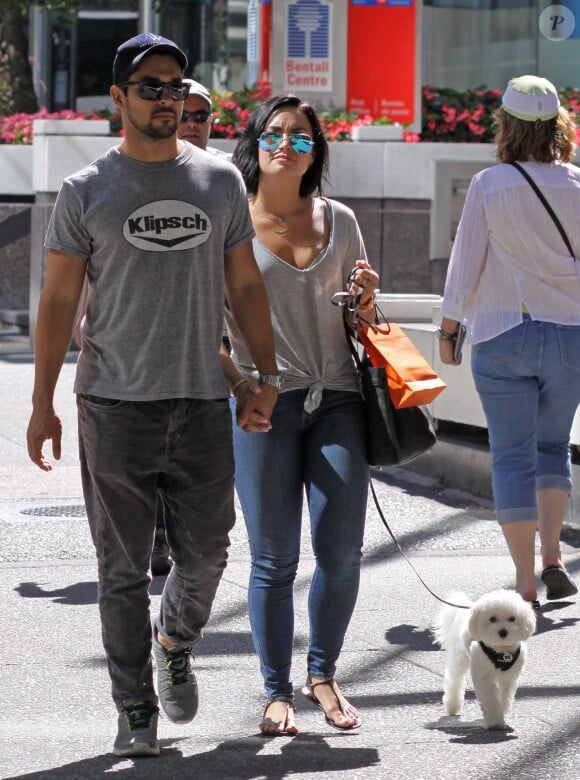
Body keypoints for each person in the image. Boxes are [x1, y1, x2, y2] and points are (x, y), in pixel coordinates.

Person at [26, 33, 279, 758]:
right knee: (120, 571)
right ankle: (136, 707)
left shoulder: (220, 182)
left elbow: (244, 284)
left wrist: (265, 375)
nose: (166, 100)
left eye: (176, 87)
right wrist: (42, 402)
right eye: (150, 87)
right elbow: (56, 303)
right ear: (119, 99)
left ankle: (174, 638)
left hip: (201, 398)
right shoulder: (86, 191)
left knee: (207, 556)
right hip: (112, 402)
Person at [222, 93, 379, 736]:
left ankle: (322, 674)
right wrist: (239, 387)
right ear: (255, 142)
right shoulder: (229, 220)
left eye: (303, 138)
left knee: (341, 551)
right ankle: (275, 689)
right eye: (275, 134)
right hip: (264, 402)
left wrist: (367, 301)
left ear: (317, 152)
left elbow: (362, 321)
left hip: (337, 398)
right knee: (273, 558)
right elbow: (209, 326)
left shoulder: (338, 219)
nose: (287, 145)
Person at [439, 75, 580, 610]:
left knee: (512, 456)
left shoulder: (489, 184)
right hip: (571, 336)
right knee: (552, 447)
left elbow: (465, 263)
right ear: (557, 126)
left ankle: (524, 581)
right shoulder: (576, 182)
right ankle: (553, 559)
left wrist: (450, 330)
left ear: (507, 125)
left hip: (505, 334)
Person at [151, 77, 230, 577]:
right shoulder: (141, 165)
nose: (194, 124)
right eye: (187, 114)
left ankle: (189, 541)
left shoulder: (226, 175)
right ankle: (157, 535)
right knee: (156, 438)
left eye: (203, 116)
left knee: (197, 447)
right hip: (154, 333)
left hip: (214, 334)